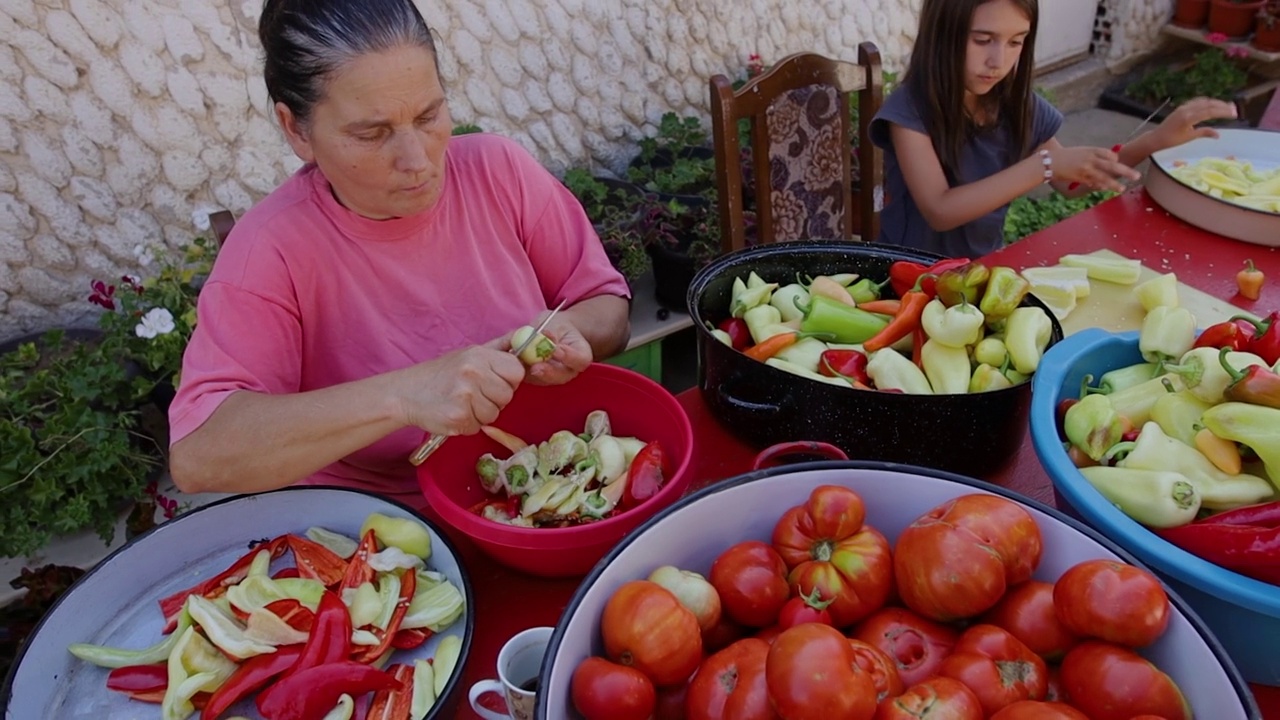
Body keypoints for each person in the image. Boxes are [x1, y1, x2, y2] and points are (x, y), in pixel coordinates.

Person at [167, 0, 632, 508]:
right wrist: (404, 397)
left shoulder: (499, 171)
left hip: (546, 477)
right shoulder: (270, 250)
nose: (417, 161)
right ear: (296, 129)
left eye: (429, 115)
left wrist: (573, 335)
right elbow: (199, 455)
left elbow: (606, 307)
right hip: (390, 524)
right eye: (372, 133)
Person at [871, 0, 1239, 258]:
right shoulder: (910, 111)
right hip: (911, 276)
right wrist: (1044, 165)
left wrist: (1156, 140)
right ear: (942, 35)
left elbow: (1070, 181)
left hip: (981, 269)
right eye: (982, 40)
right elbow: (940, 209)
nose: (998, 60)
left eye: (1015, 42)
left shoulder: (1016, 105)